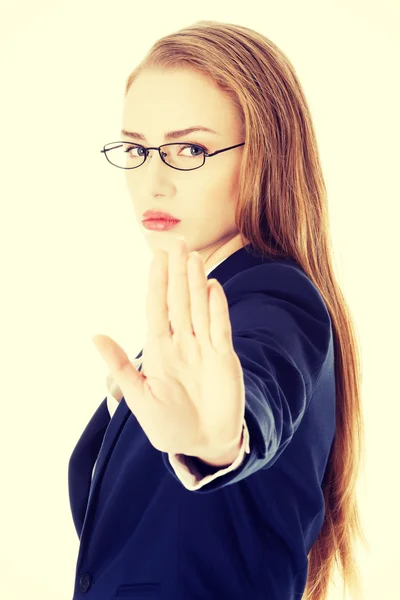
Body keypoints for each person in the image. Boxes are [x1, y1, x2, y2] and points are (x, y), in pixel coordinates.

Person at [68, 20, 367, 600]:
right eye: (135, 148)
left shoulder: (276, 297)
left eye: (191, 149)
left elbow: (261, 379)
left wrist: (218, 445)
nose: (152, 181)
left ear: (266, 158)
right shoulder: (194, 320)